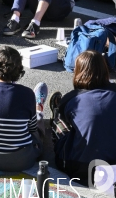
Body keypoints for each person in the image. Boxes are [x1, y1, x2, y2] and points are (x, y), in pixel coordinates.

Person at [0, 46, 47, 171]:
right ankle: (38, 108)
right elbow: (32, 128)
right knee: (38, 127)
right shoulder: (27, 94)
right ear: (18, 71)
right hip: (21, 160)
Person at [50, 50, 116, 183]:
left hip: (77, 166)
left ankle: (55, 113)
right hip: (113, 167)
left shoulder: (72, 98)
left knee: (60, 124)